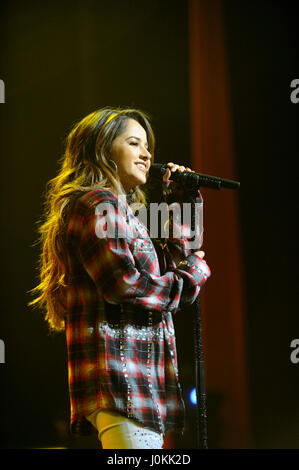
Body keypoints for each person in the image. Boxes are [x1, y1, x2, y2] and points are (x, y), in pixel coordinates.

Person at [29, 107, 211, 449]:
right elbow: (125, 285)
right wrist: (192, 278)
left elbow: (173, 260)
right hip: (122, 378)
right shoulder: (97, 204)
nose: (146, 154)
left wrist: (181, 200)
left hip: (138, 382)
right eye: (133, 143)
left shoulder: (126, 214)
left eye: (148, 146)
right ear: (102, 150)